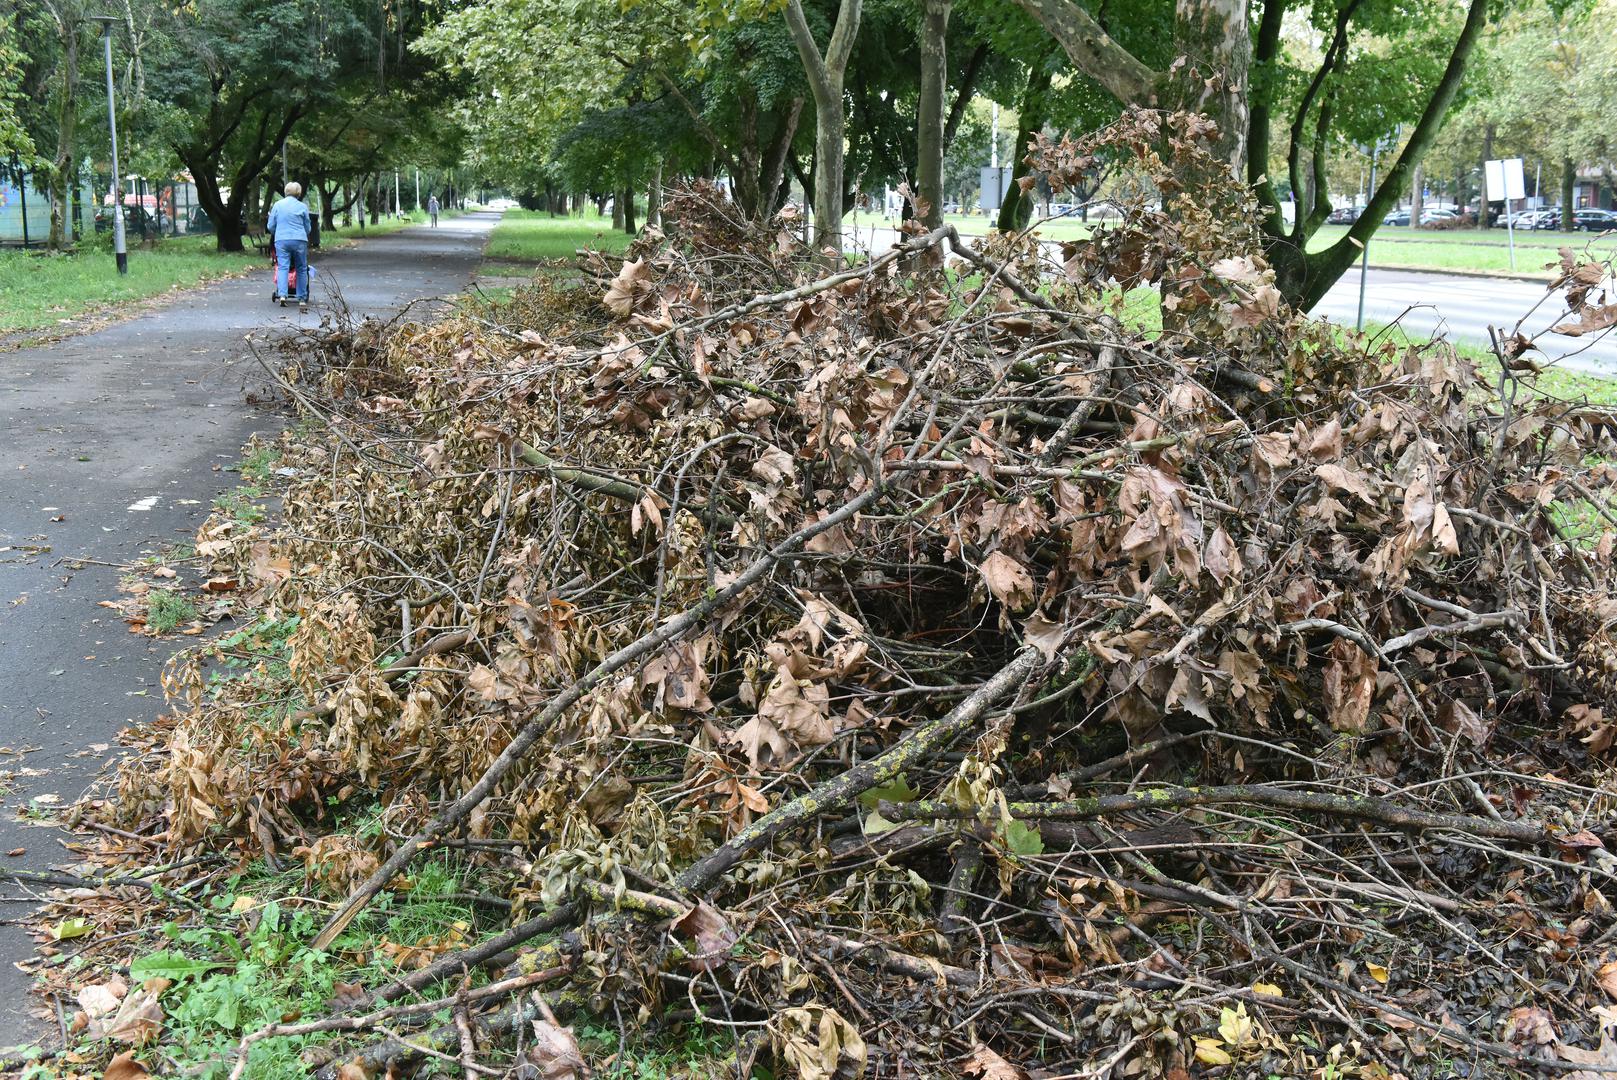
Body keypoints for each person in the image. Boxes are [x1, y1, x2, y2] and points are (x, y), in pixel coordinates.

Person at [267, 181, 314, 312]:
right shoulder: (303, 206)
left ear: (286, 192)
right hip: (299, 240)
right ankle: (302, 298)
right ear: (298, 193)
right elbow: (308, 228)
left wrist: (279, 232)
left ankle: (282, 295)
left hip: (281, 240)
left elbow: (270, 226)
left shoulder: (277, 205)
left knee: (283, 267)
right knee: (301, 268)